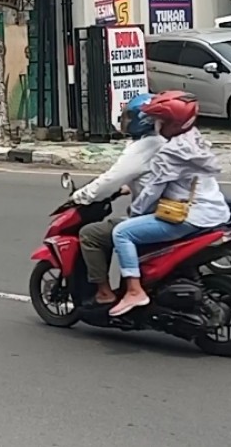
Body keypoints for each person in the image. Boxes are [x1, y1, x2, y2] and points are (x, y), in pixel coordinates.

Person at [107, 91, 230, 317]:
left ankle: (134, 291)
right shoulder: (194, 139)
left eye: (160, 121)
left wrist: (134, 213)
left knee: (122, 233)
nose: (156, 125)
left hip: (190, 217)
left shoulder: (171, 152)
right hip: (216, 213)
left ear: (172, 123)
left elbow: (151, 192)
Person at [74, 94, 166, 305]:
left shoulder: (142, 147)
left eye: (127, 117)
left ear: (140, 120)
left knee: (90, 235)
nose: (123, 122)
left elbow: (111, 179)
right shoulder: (165, 142)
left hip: (156, 216)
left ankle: (104, 292)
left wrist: (81, 195)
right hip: (178, 211)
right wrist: (129, 186)